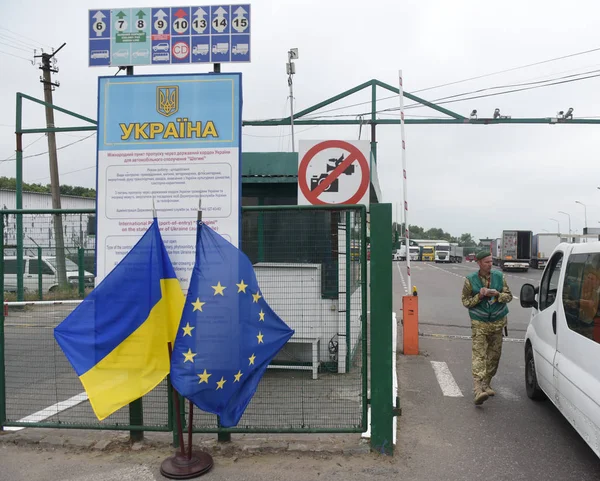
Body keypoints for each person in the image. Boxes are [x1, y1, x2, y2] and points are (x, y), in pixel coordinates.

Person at [461, 250, 513, 405]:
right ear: (479, 263)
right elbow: (465, 301)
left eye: (491, 261)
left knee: (494, 356)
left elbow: (509, 296)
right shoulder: (470, 280)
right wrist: (480, 296)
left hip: (497, 322)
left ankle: (487, 383)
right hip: (479, 322)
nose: (490, 264)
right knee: (479, 355)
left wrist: (497, 294)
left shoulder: (499, 277)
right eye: (487, 262)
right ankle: (478, 389)